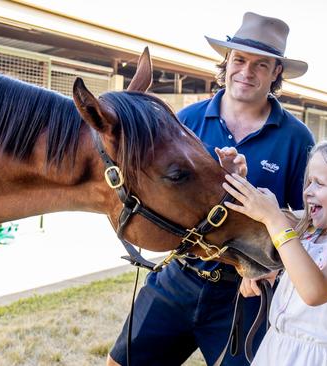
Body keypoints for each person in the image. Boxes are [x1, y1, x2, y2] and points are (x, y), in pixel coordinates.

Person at [108, 12, 315, 366]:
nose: (246, 72)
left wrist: (276, 268)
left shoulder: (297, 139)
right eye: (240, 60)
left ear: (276, 72)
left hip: (247, 290)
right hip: (179, 276)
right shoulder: (185, 120)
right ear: (227, 61)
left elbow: (309, 221)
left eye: (260, 65)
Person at [223, 138, 327, 365]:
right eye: (308, 181)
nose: (307, 191)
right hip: (274, 348)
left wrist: (274, 218)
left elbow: (315, 291)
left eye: (319, 183)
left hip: (314, 359)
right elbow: (259, 218)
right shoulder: (310, 229)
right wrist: (235, 181)